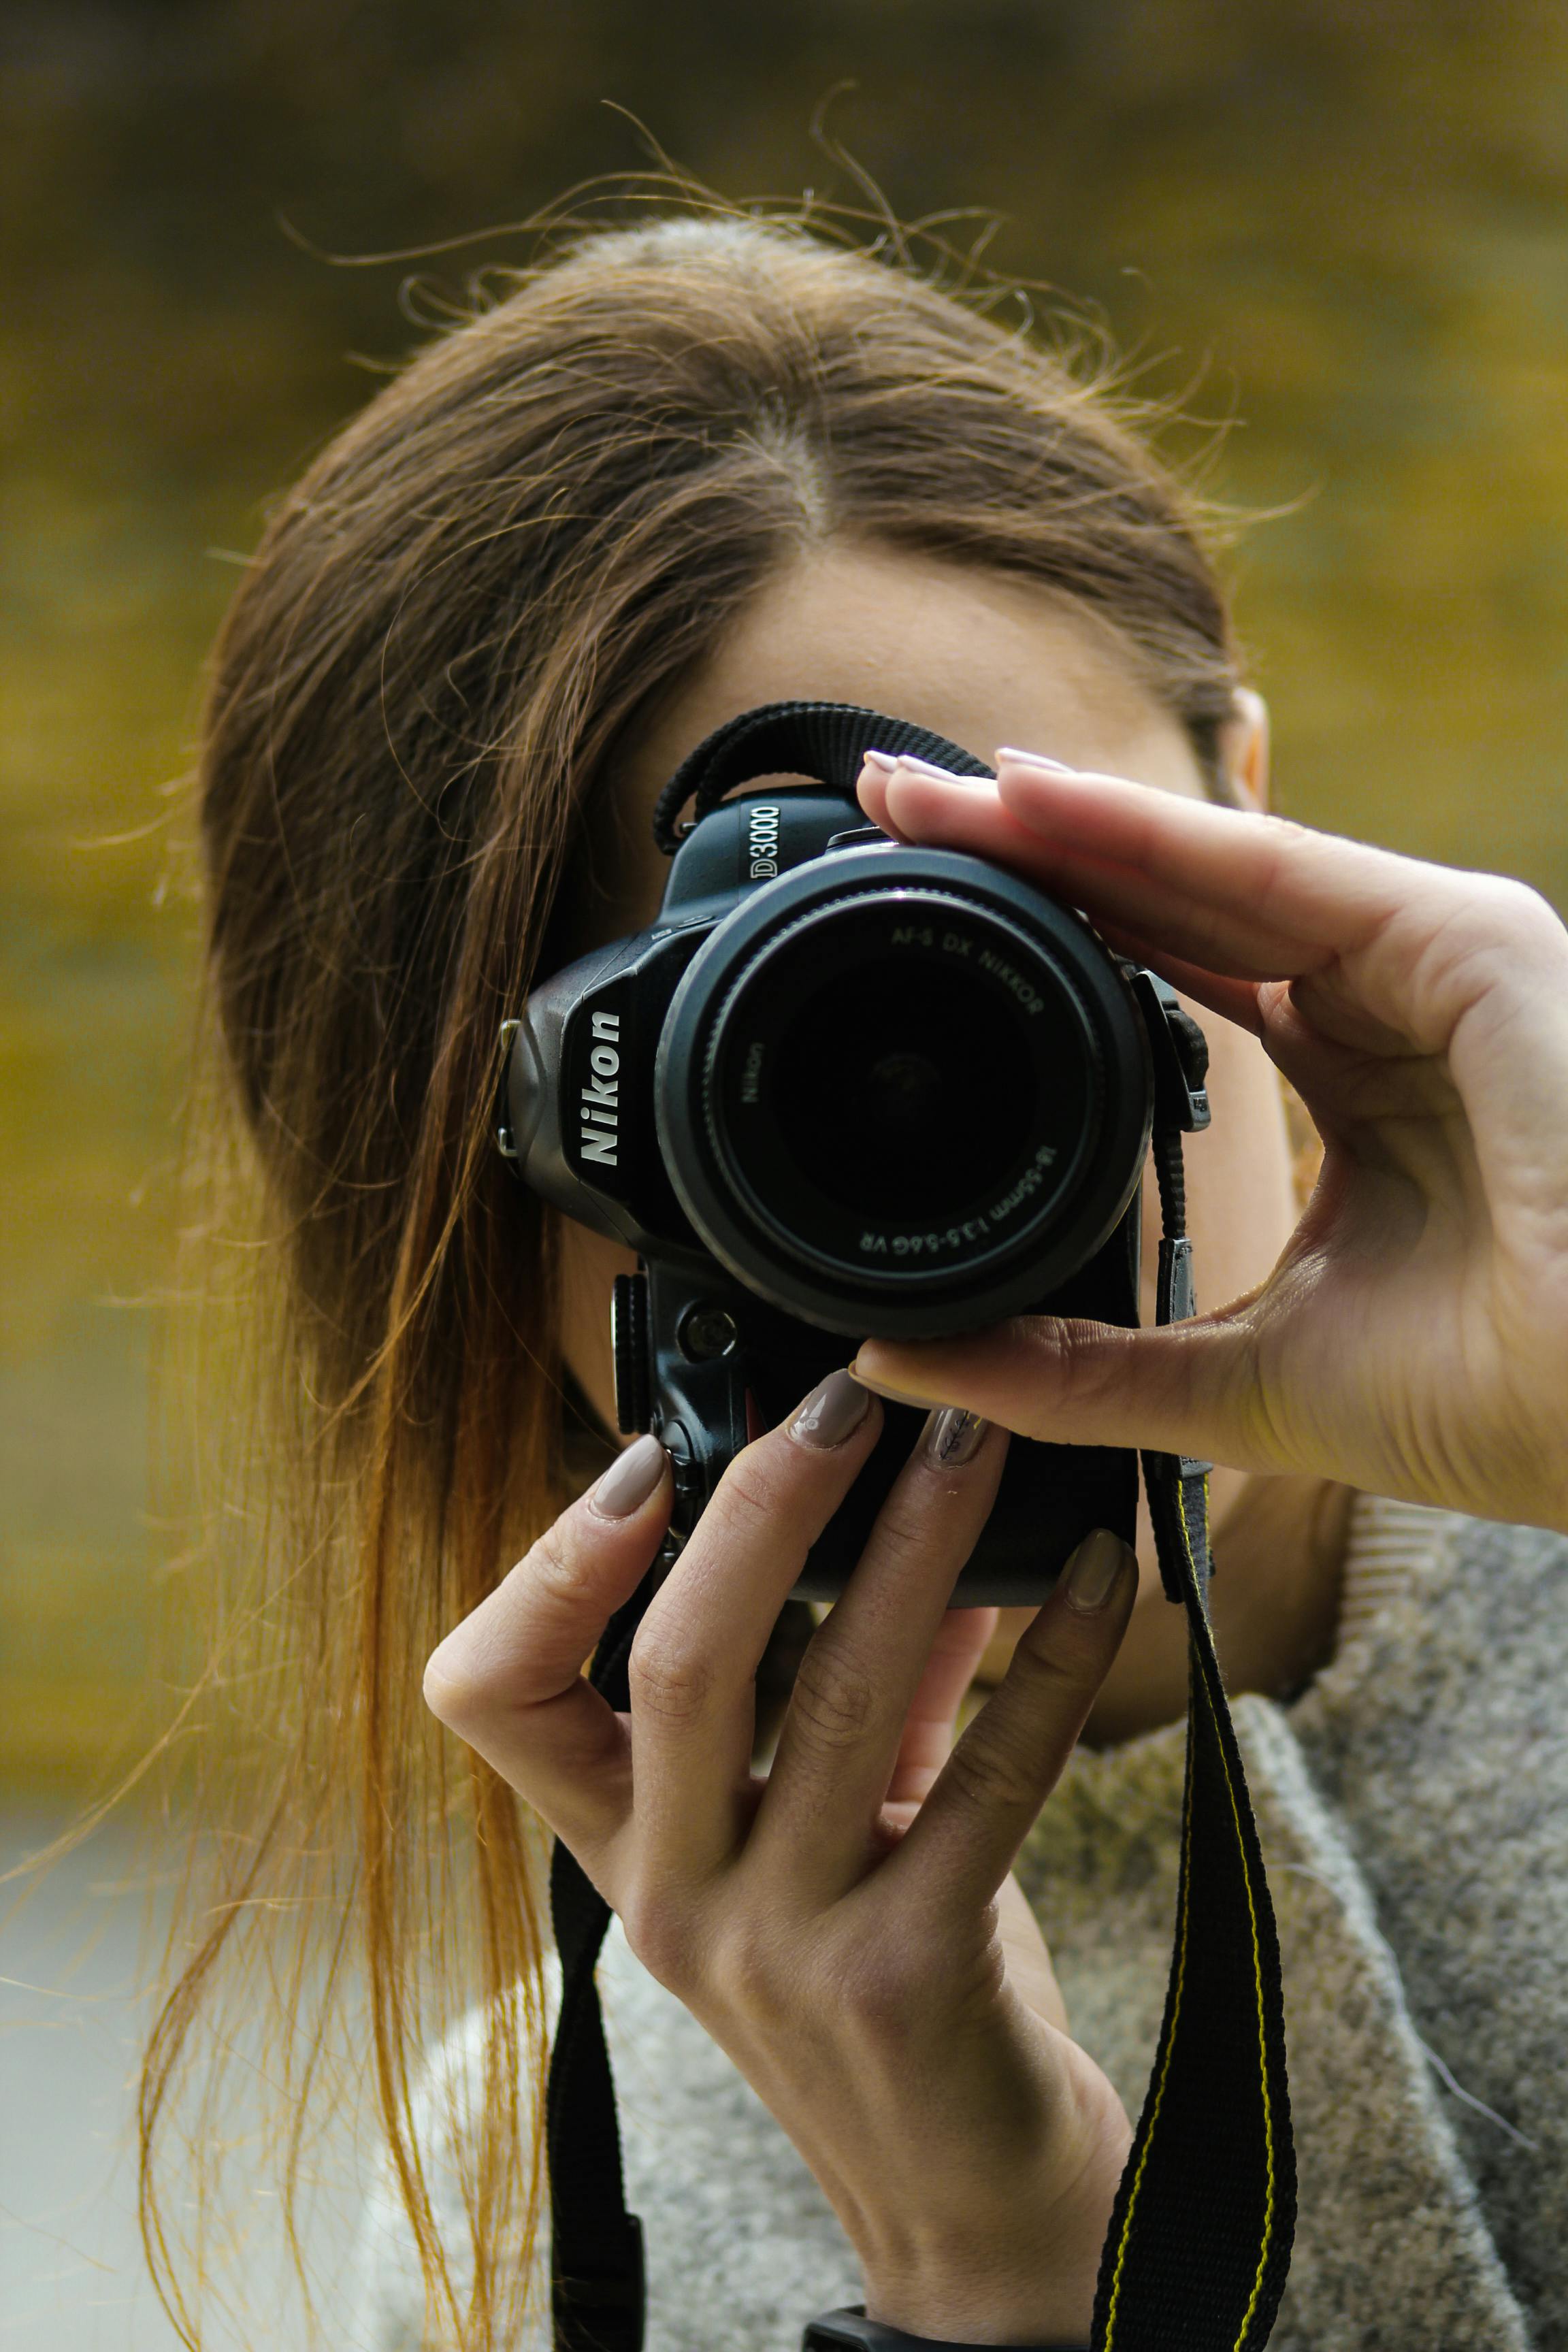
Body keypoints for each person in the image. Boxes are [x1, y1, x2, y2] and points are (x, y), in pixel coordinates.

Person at [155, 207, 1568, 2352]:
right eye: (749, 1057)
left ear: (1246, 819)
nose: (922, 1123)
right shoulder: (539, 2208)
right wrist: (984, 2293)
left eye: (1022, 936)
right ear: (469, 1163)